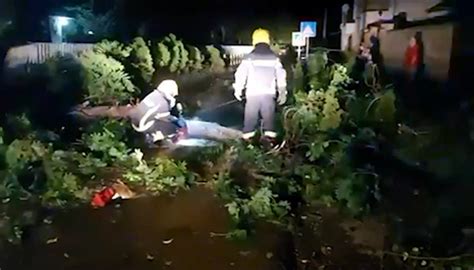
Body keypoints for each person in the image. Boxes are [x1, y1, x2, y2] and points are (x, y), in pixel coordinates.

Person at [232, 28, 287, 146]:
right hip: (268, 94)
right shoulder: (274, 58)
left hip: (252, 94)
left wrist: (238, 89)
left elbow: (240, 74)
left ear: (254, 41)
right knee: (269, 118)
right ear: (268, 41)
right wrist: (282, 92)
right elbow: (281, 75)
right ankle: (270, 143)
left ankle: (248, 143)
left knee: (250, 118)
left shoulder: (249, 57)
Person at [130, 79, 187, 147]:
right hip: (142, 127)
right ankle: (157, 139)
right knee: (175, 126)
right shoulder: (164, 104)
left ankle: (152, 137)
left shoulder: (153, 95)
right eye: (173, 95)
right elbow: (168, 118)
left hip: (134, 122)